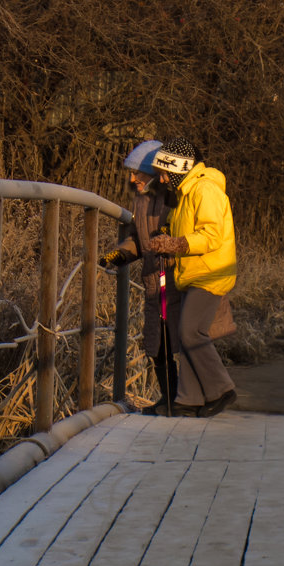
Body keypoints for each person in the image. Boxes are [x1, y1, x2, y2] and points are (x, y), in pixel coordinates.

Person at [148, 137, 237, 417]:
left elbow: (211, 235)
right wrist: (164, 238)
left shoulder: (205, 190)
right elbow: (176, 227)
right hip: (194, 274)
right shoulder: (184, 195)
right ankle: (189, 399)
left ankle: (221, 389)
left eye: (164, 173)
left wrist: (177, 244)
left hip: (210, 273)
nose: (161, 179)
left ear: (178, 169)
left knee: (190, 331)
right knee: (186, 332)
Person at [99, 139, 182, 416]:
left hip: (172, 279)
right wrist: (119, 256)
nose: (132, 179)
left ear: (155, 173)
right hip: (152, 282)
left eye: (139, 174)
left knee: (175, 339)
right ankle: (167, 398)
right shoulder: (142, 201)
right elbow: (138, 238)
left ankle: (180, 398)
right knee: (156, 340)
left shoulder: (173, 199)